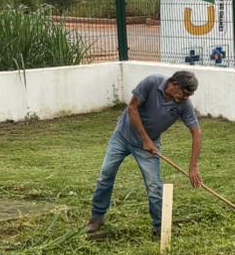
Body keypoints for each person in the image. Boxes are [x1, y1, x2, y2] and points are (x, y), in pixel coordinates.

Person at [86, 70, 203, 240]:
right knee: (106, 174)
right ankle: (97, 217)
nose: (185, 98)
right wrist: (145, 139)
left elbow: (196, 133)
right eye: (184, 94)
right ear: (174, 83)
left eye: (189, 96)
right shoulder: (152, 82)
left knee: (154, 186)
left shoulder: (184, 105)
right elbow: (132, 107)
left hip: (149, 146)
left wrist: (193, 166)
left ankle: (159, 228)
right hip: (123, 136)